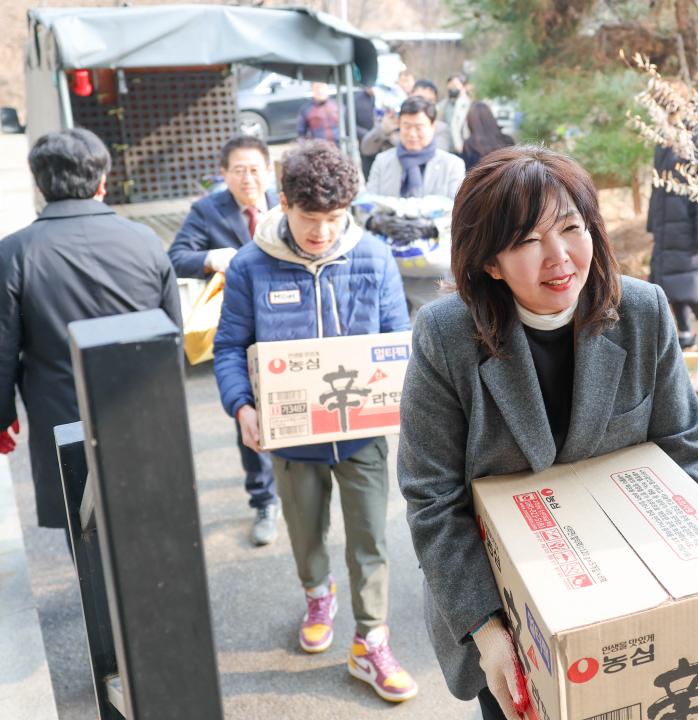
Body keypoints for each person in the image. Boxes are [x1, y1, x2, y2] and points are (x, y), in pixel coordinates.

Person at [396, 146, 698, 720]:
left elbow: (683, 453)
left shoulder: (643, 311)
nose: (559, 258)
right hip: (505, 615)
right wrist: (486, 626)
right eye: (526, 241)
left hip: (630, 594)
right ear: (490, 264)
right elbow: (431, 496)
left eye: (571, 228)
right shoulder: (446, 338)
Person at [213, 140, 417, 703]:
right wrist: (242, 406)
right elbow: (229, 347)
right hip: (291, 437)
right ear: (284, 203)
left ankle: (370, 640)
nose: (322, 232)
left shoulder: (373, 257)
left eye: (334, 219)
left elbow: (398, 346)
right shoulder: (252, 264)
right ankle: (316, 592)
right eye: (310, 219)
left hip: (361, 435)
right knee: (305, 534)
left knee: (372, 537)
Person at [0, 129, 182, 533]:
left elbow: (2, 346)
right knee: (148, 517)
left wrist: (3, 413)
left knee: (84, 528)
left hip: (61, 415)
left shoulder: (16, 252)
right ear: (103, 181)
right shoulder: (145, 241)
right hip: (141, 406)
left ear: (41, 184)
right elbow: (172, 334)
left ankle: (98, 598)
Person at [169, 135, 281, 546]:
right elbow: (175, 256)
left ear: (267, 171)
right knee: (247, 412)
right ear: (223, 174)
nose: (248, 179)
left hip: (287, 323)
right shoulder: (207, 209)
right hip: (240, 322)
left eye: (254, 169)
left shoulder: (286, 201)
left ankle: (297, 487)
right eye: (238, 170)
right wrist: (213, 257)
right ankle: (263, 500)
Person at [367, 96, 466, 314]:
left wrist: (426, 226)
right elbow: (367, 206)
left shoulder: (452, 165)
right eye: (406, 127)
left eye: (419, 127)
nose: (412, 134)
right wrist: (381, 221)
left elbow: (459, 212)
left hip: (434, 266)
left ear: (433, 126)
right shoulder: (383, 161)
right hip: (390, 261)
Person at [646, 142, 698, 348]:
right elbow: (657, 186)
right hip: (667, 230)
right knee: (671, 287)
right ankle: (685, 332)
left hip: (689, 233)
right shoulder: (664, 144)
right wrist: (653, 223)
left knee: (694, 292)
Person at [360, 81, 452, 157]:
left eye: (429, 101)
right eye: (418, 99)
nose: (422, 105)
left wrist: (396, 138)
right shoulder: (393, 121)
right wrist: (383, 131)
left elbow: (436, 155)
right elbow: (366, 149)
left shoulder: (440, 128)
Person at [461, 102, 514, 170]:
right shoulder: (507, 140)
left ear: (470, 121)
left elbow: (468, 173)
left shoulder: (469, 145)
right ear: (491, 118)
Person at [437, 72, 471, 155]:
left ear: (464, 86)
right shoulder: (444, 105)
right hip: (446, 148)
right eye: (450, 86)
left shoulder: (469, 105)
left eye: (455, 86)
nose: (452, 89)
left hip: (464, 148)